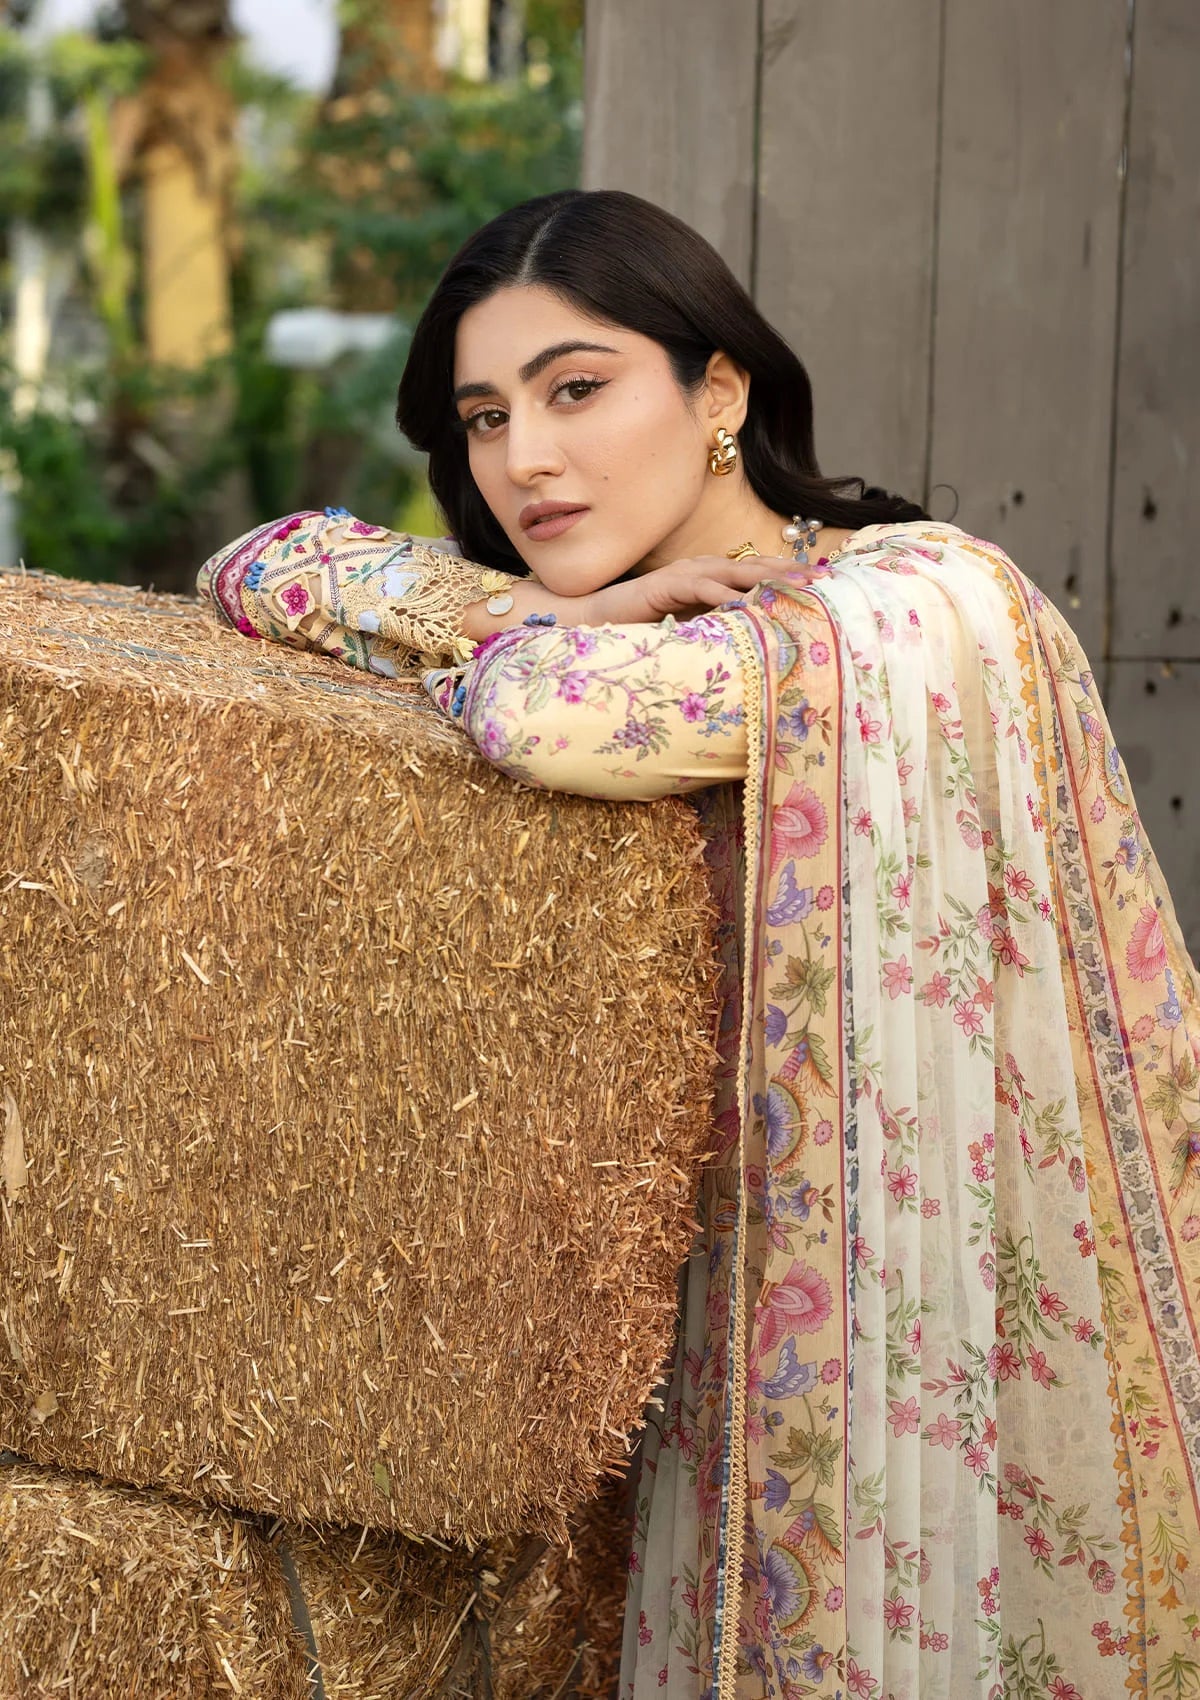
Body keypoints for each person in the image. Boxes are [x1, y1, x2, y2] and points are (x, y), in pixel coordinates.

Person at [199, 190, 1200, 1700]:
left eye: (576, 390)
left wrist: (534, 638)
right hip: (674, 1309)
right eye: (485, 418)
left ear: (718, 389)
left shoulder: (906, 607)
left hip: (926, 1331)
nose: (524, 460)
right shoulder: (618, 619)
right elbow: (255, 560)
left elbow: (546, 721)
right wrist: (527, 599)